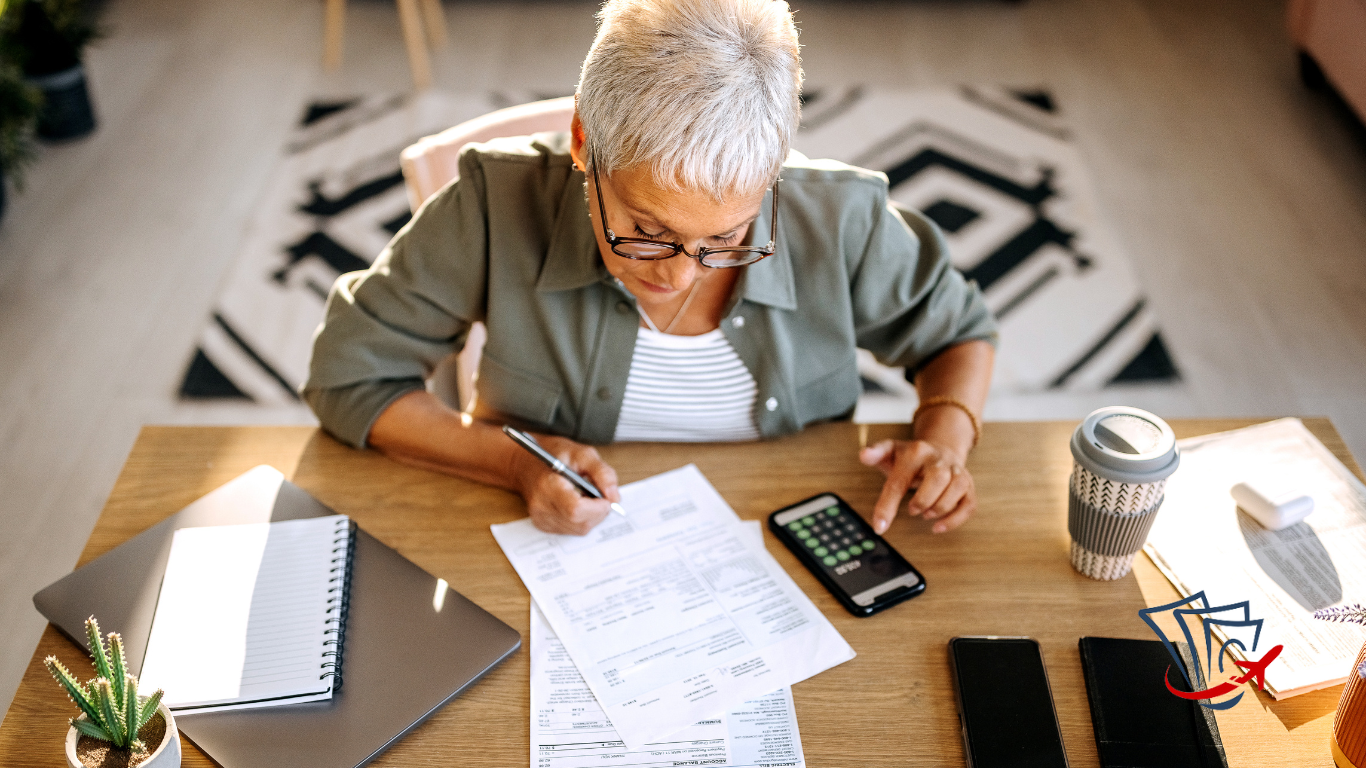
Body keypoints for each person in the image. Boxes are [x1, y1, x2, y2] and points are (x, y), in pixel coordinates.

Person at [304, 0, 997, 538]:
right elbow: (348, 376)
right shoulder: (492, 206)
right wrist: (516, 461)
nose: (681, 276)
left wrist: (943, 441)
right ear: (583, 142)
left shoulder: (841, 217)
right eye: (647, 232)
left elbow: (956, 333)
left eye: (727, 237)